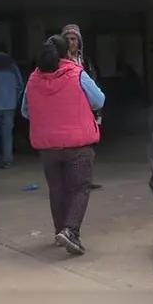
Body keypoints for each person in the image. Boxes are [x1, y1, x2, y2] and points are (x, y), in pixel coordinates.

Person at [21, 35, 105, 255]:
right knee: (79, 188)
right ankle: (71, 232)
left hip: (47, 147)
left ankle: (60, 231)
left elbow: (26, 111)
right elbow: (99, 100)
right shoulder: (77, 74)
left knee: (57, 189)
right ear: (67, 53)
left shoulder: (33, 79)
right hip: (77, 144)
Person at [61, 24, 104, 191]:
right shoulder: (57, 62)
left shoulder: (85, 61)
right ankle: (69, 182)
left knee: (87, 148)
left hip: (85, 107)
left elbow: (93, 83)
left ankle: (84, 180)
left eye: (74, 39)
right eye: (67, 39)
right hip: (67, 108)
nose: (71, 43)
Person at [0, 43, 23, 169]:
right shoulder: (12, 67)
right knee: (7, 135)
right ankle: (7, 160)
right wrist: (15, 100)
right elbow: (20, 86)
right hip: (9, 105)